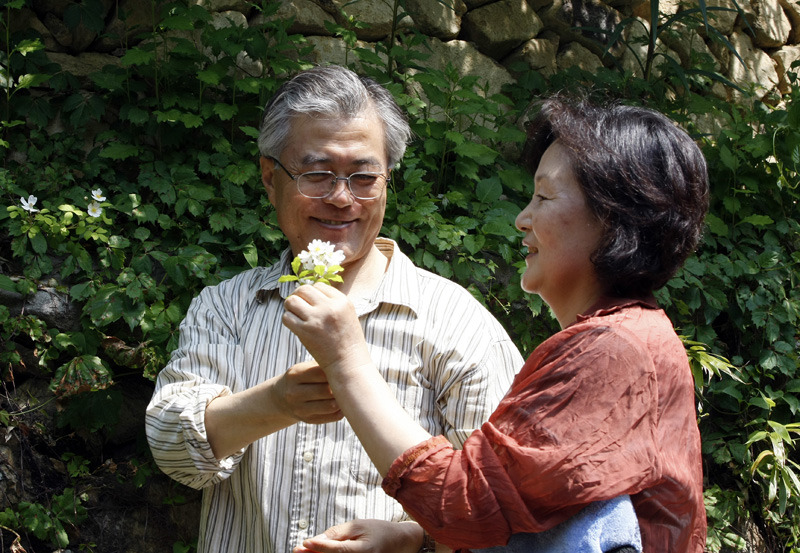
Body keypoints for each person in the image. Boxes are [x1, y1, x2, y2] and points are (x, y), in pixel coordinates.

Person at [282, 96, 709, 552]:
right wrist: (415, 539)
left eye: (544, 197)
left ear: (613, 218)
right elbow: (525, 512)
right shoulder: (629, 337)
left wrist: (347, 361)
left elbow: (463, 504)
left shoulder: (613, 348)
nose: (523, 219)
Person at [144, 65, 524, 553]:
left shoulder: (456, 323)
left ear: (387, 181)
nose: (342, 198)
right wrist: (275, 403)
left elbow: (505, 500)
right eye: (317, 174)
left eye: (364, 177)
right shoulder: (227, 308)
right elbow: (173, 451)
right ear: (270, 178)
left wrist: (414, 539)